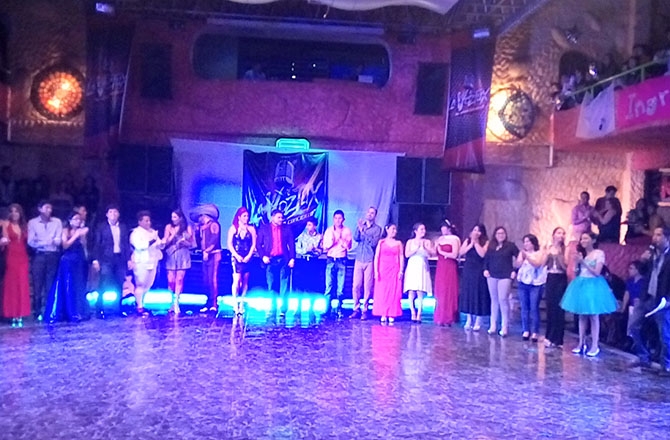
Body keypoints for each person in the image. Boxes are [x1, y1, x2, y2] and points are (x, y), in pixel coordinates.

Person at [560, 232, 618, 357]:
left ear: (593, 240)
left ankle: (595, 345)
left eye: (586, 238)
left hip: (593, 285)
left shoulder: (599, 253)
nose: (583, 241)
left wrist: (583, 262)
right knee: (582, 315)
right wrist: (577, 263)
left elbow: (597, 272)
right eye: (582, 239)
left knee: (593, 315)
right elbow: (577, 272)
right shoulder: (582, 254)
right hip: (581, 283)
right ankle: (581, 343)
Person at [628, 227, 670, 375]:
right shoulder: (652, 253)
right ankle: (643, 357)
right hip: (647, 297)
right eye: (654, 235)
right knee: (633, 326)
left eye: (658, 235)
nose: (655, 238)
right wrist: (642, 261)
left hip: (662, 300)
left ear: (667, 238)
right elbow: (644, 272)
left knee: (664, 334)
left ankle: (666, 366)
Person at [44, 211, 89, 323]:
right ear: (70, 220)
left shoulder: (83, 230)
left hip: (78, 259)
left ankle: (80, 311)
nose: (77, 221)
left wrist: (82, 236)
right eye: (75, 219)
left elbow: (84, 245)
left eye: (79, 219)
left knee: (79, 285)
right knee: (68, 285)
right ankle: (69, 312)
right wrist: (75, 235)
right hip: (68, 261)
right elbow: (65, 245)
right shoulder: (65, 231)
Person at [91, 205, 131, 318]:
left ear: (118, 214)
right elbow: (97, 244)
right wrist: (95, 259)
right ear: (107, 214)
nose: (113, 214)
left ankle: (118, 308)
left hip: (119, 258)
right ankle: (100, 309)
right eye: (111, 212)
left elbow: (126, 244)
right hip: (106, 259)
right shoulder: (101, 227)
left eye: (115, 212)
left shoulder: (123, 227)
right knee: (103, 283)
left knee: (119, 283)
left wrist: (129, 259)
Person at [27, 200, 63, 320]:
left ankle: (49, 311)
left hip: (53, 255)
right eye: (46, 208)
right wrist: (46, 242)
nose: (49, 210)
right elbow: (31, 241)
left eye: (50, 208)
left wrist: (42, 241)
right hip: (39, 255)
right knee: (37, 285)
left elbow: (58, 240)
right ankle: (37, 311)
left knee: (50, 284)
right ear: (40, 209)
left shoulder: (57, 222)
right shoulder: (32, 222)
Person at [257, 209, 295, 317]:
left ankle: (283, 310)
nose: (281, 219)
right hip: (270, 260)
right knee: (271, 284)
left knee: (284, 285)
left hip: (284, 259)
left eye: (282, 217)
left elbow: (291, 244)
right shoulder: (264, 228)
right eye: (279, 217)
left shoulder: (286, 228)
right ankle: (272, 308)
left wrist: (292, 258)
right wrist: (263, 256)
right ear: (272, 217)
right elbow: (258, 244)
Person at [484, 226, 519, 337]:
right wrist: (485, 269)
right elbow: (487, 259)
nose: (500, 235)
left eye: (502, 233)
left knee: (503, 299)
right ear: (495, 235)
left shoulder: (510, 246)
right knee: (494, 300)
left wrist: (515, 270)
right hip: (492, 275)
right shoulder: (491, 246)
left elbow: (519, 258)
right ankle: (493, 325)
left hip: (505, 275)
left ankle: (504, 326)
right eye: (498, 233)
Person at [129, 211, 164, 316]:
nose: (148, 223)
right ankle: (139, 306)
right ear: (140, 222)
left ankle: (142, 303)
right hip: (141, 262)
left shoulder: (152, 232)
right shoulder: (135, 233)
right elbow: (140, 246)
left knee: (148, 285)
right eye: (146, 221)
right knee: (141, 283)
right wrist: (152, 241)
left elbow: (159, 244)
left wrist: (162, 243)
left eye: (149, 221)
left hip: (152, 261)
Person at [1, 204, 30, 327]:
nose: (14, 214)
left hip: (23, 256)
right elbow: (5, 240)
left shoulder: (24, 225)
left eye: (16, 211)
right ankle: (12, 313)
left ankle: (21, 313)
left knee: (22, 284)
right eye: (12, 211)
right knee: (12, 285)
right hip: (11, 256)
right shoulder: (6, 224)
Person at [350, 207, 382, 320]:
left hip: (369, 259)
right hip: (359, 258)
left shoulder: (377, 229)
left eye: (372, 213)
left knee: (367, 286)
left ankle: (365, 309)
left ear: (375, 215)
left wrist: (363, 231)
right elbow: (356, 238)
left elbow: (373, 243)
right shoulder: (361, 225)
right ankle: (356, 308)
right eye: (368, 212)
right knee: (356, 285)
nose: (369, 214)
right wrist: (359, 229)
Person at [190, 204, 222, 313]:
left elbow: (214, 240)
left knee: (213, 278)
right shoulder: (202, 227)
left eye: (200, 216)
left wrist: (207, 251)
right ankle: (208, 301)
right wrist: (196, 232)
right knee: (206, 279)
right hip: (205, 254)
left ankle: (214, 303)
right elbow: (199, 243)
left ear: (204, 216)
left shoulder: (214, 225)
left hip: (214, 254)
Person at [516, 234, 547, 342]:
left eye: (528, 241)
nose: (526, 244)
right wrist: (521, 258)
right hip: (523, 283)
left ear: (533, 243)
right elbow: (517, 265)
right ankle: (525, 330)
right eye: (524, 242)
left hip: (535, 284)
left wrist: (528, 257)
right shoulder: (522, 253)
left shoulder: (540, 253)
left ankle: (535, 332)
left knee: (534, 308)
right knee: (524, 307)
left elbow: (537, 264)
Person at [459, 224, 490, 331]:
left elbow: (482, 254)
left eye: (478, 231)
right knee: (469, 293)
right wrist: (471, 243)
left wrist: (476, 243)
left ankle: (478, 320)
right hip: (468, 269)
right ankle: (469, 319)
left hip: (479, 270)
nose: (476, 232)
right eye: (474, 230)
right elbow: (461, 252)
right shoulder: (467, 241)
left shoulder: (485, 242)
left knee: (478, 293)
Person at [164, 209, 195, 315]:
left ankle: (176, 302)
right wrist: (173, 235)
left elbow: (192, 244)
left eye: (175, 217)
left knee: (179, 279)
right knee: (171, 280)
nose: (173, 219)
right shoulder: (169, 227)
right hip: (172, 254)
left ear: (180, 218)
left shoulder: (187, 227)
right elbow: (165, 242)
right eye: (172, 217)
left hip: (183, 254)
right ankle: (171, 301)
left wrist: (184, 242)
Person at [371, 223, 404, 324]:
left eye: (395, 229)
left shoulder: (398, 243)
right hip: (383, 269)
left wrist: (401, 270)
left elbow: (401, 256)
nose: (394, 231)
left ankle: (391, 313)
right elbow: (377, 257)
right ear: (387, 229)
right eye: (392, 229)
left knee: (393, 291)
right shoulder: (381, 242)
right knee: (382, 291)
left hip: (394, 269)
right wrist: (376, 271)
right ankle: (383, 313)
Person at [322, 210, 352, 318]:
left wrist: (342, 240)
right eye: (336, 218)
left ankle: (340, 308)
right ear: (333, 219)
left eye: (340, 218)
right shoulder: (329, 231)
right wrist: (333, 241)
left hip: (341, 260)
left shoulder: (347, 231)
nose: (338, 220)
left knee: (341, 287)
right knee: (329, 285)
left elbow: (349, 247)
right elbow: (325, 247)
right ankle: (327, 308)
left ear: (343, 219)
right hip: (331, 259)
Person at [227, 207, 257, 315]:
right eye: (244, 216)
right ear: (239, 217)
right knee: (237, 280)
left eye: (247, 216)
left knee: (245, 281)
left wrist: (249, 255)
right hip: (237, 256)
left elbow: (253, 244)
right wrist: (236, 255)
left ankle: (242, 303)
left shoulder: (251, 229)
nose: (246, 218)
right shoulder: (233, 228)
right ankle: (235, 303)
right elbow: (229, 244)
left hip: (247, 256)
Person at [543, 227, 568, 348]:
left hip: (560, 278)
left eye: (563, 233)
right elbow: (543, 264)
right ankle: (549, 336)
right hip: (550, 277)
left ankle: (558, 339)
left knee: (559, 308)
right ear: (553, 235)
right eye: (558, 233)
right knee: (550, 306)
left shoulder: (565, 249)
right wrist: (546, 253)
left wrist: (558, 255)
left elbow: (565, 267)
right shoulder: (549, 248)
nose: (561, 235)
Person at [404, 222, 433, 323]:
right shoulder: (410, 242)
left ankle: (419, 313)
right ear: (415, 231)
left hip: (422, 266)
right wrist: (416, 248)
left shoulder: (427, 242)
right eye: (421, 229)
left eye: (424, 229)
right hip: (412, 265)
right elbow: (407, 254)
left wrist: (425, 248)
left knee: (420, 290)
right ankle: (412, 312)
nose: (423, 231)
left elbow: (431, 254)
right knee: (411, 290)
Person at [434, 219, 461, 326]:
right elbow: (434, 253)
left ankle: (449, 317)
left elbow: (455, 254)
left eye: (444, 227)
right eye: (441, 227)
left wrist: (442, 252)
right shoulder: (440, 239)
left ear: (449, 228)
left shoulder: (455, 239)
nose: (442, 229)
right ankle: (440, 316)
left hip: (449, 266)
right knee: (440, 290)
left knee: (448, 290)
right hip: (440, 266)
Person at [622, 261, 644, 332]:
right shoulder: (630, 281)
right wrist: (623, 307)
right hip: (631, 307)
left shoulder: (644, 282)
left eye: (631, 268)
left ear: (637, 270)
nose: (629, 270)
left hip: (640, 307)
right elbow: (627, 294)